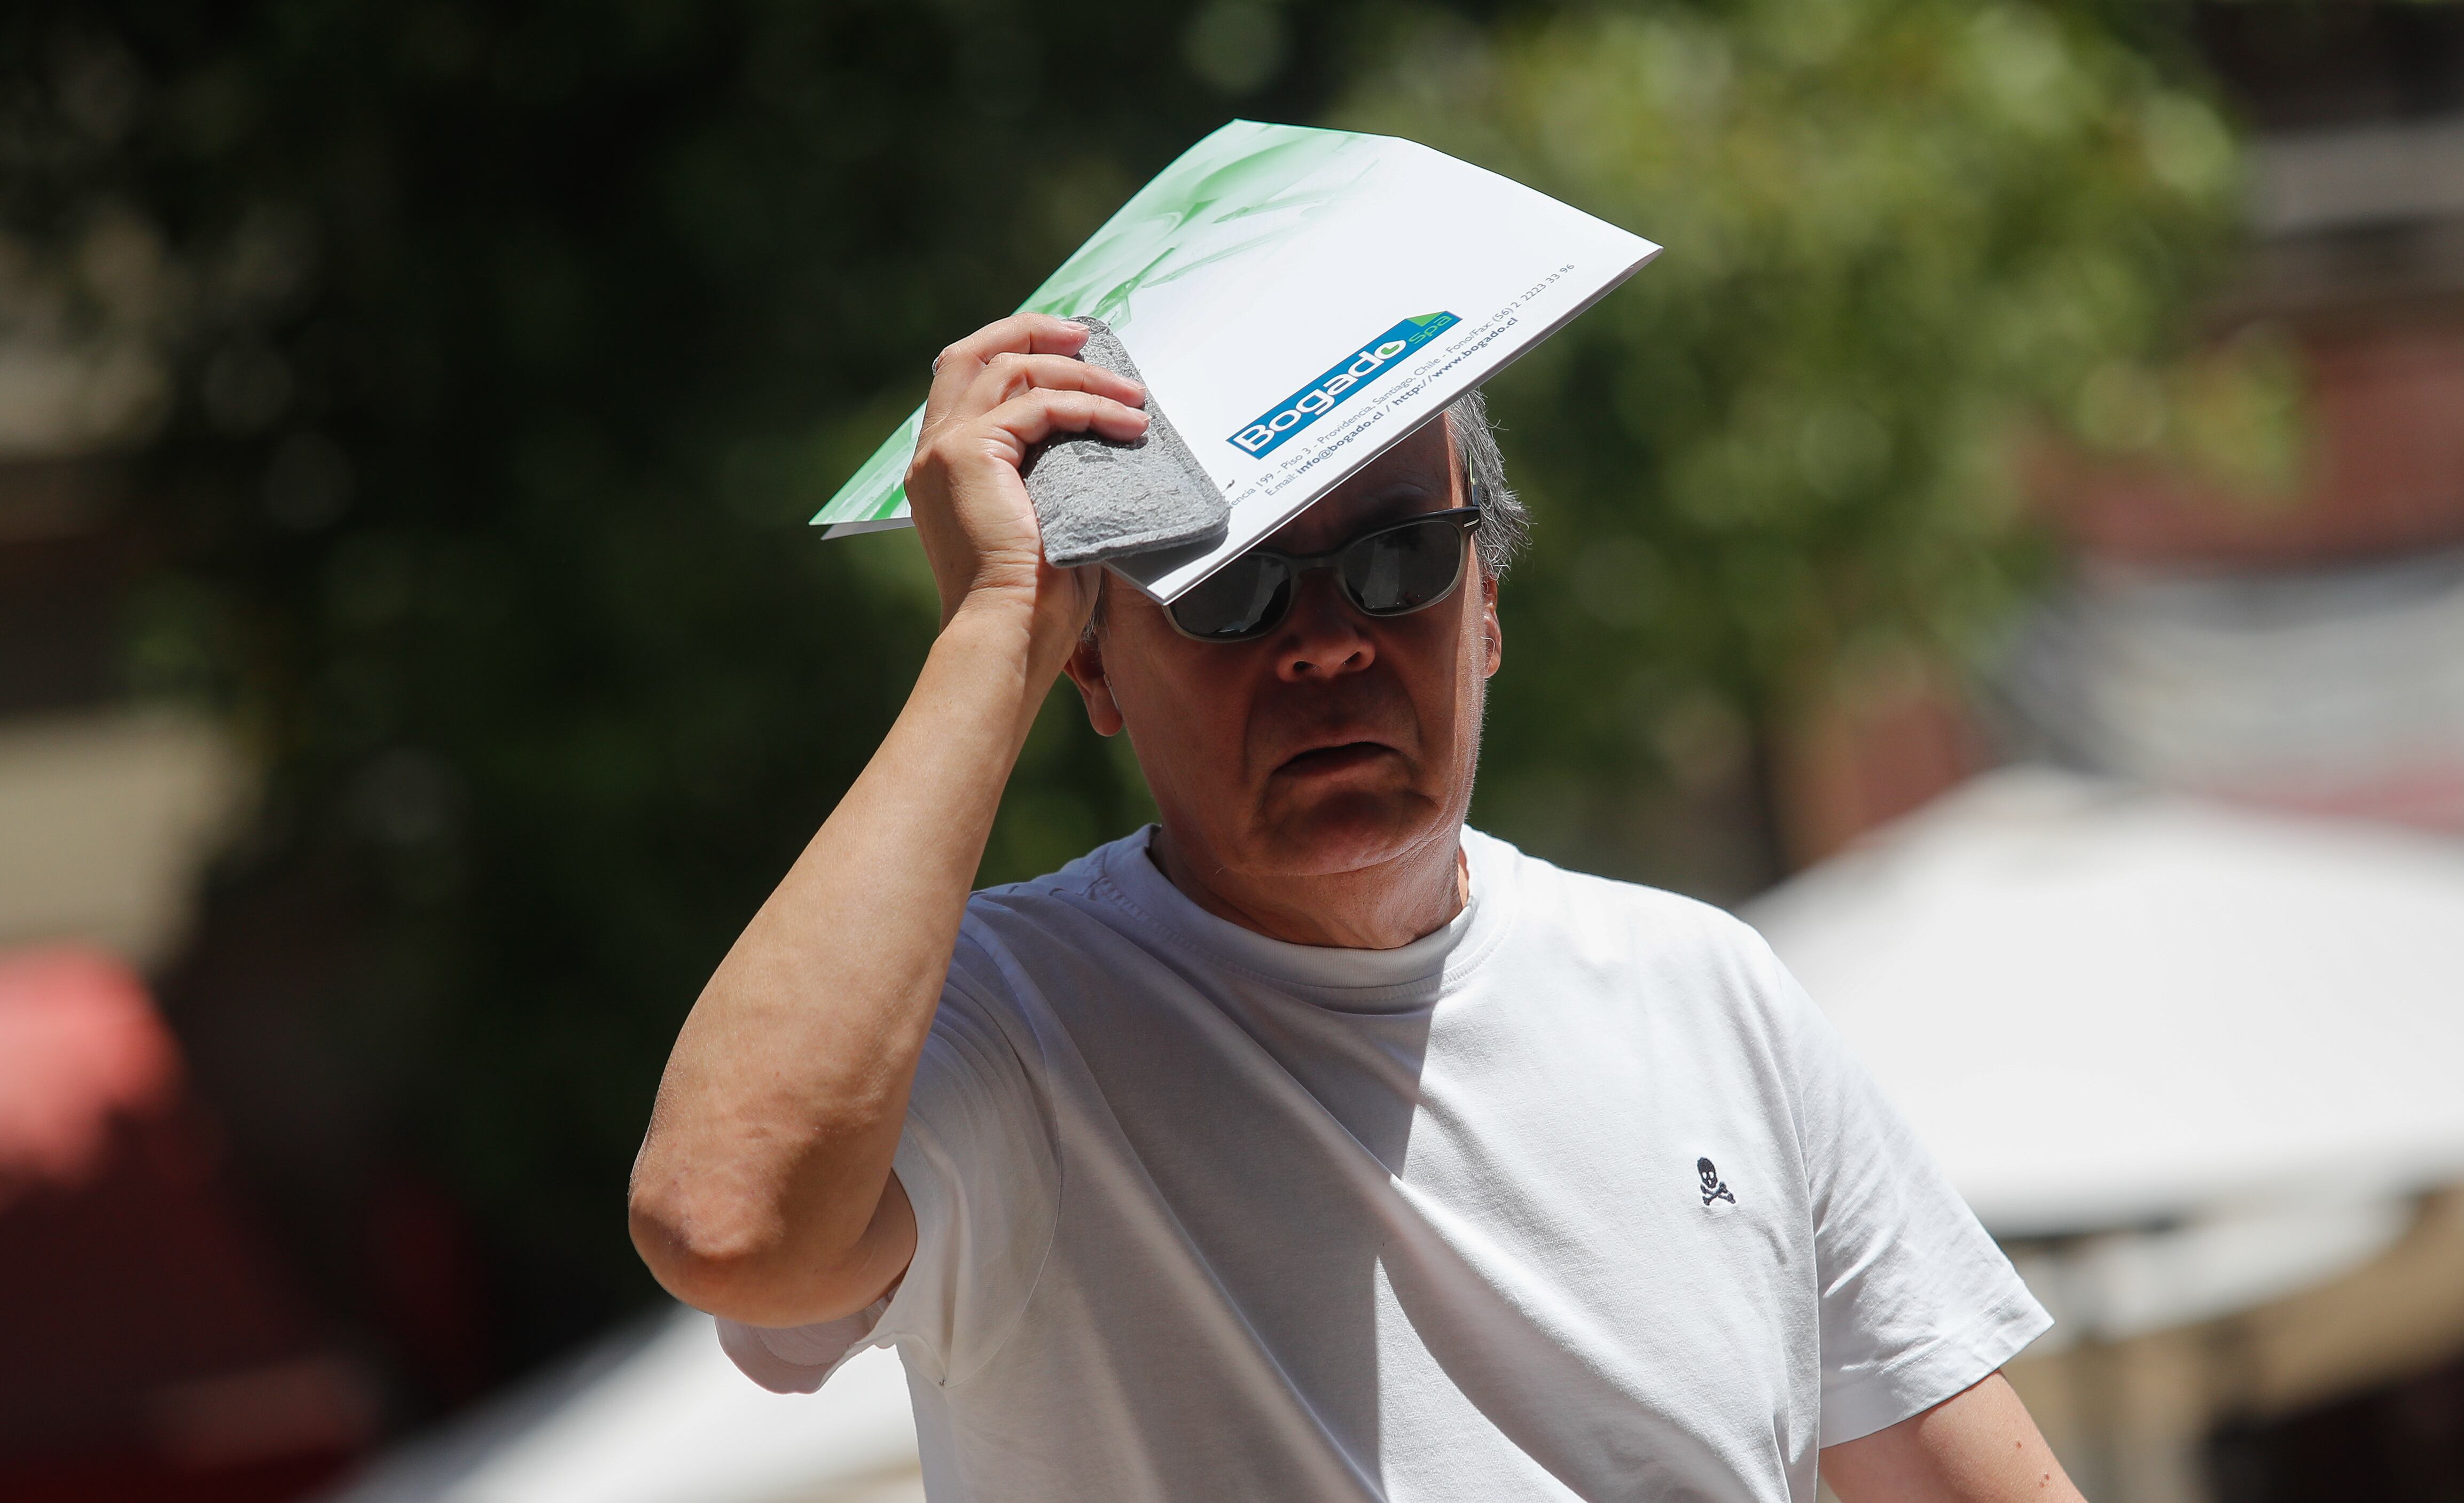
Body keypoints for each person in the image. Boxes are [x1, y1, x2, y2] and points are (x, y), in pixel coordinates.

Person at [629, 312, 2082, 1502]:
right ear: (1096, 667)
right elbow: (727, 1221)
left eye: (1400, 561)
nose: (1326, 646)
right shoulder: (1009, 1036)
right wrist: (992, 620)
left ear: (1490, 609)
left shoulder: (1704, 993)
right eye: (1226, 585)